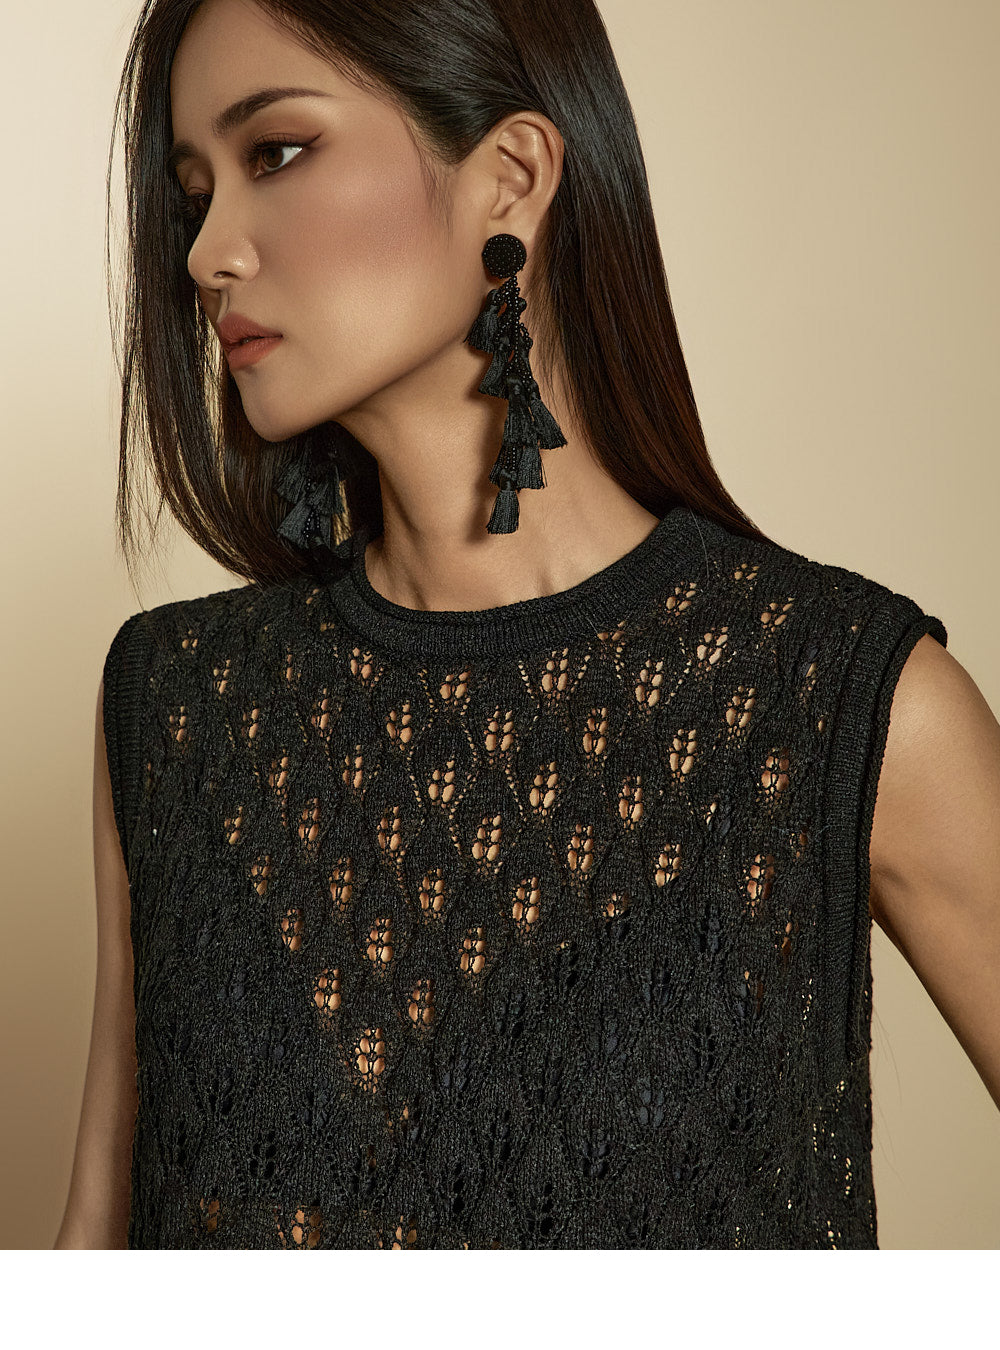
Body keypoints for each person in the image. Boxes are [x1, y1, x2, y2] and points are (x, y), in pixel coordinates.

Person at [55, 0, 999, 1249]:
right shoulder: (180, 701)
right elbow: (96, 1250)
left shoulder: (840, 701)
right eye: (194, 194)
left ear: (509, 176)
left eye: (275, 153)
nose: (207, 253)